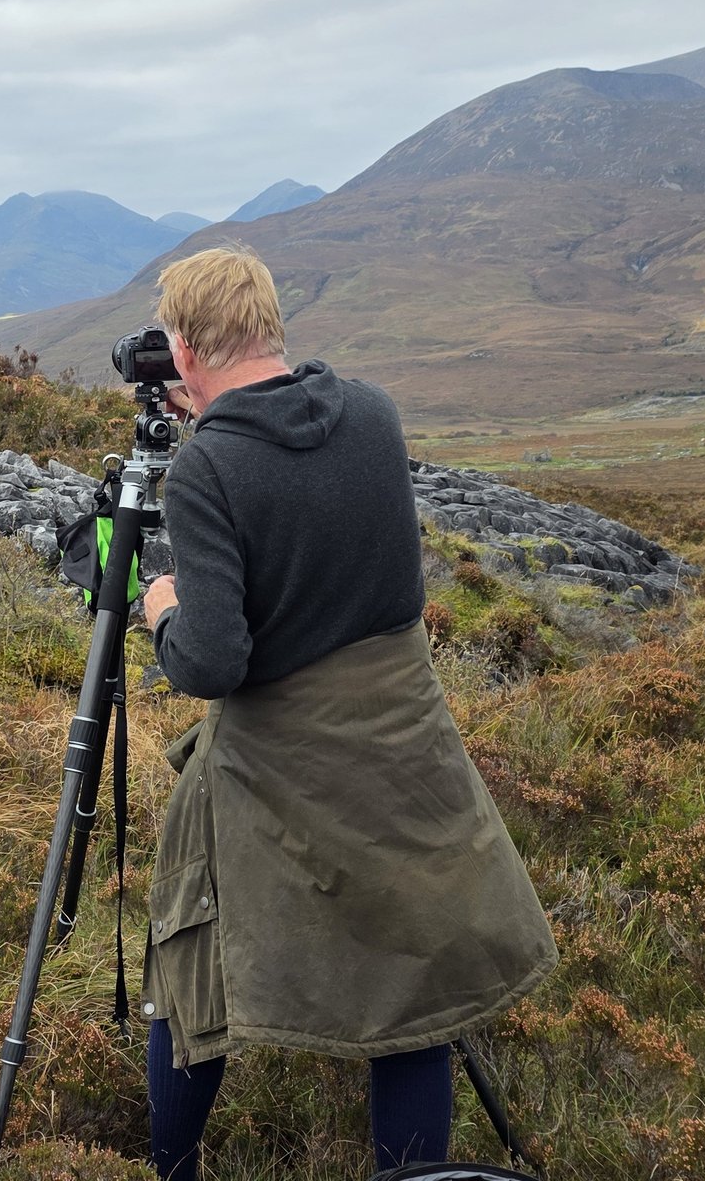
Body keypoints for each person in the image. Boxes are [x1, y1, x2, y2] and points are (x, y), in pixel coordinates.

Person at [135, 246, 555, 1179]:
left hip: (282, 760)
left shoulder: (207, 468)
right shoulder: (372, 414)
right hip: (405, 742)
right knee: (411, 978)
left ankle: (171, 1173)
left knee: (188, 962)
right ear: (272, 325)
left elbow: (214, 661)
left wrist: (160, 608)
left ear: (188, 348)